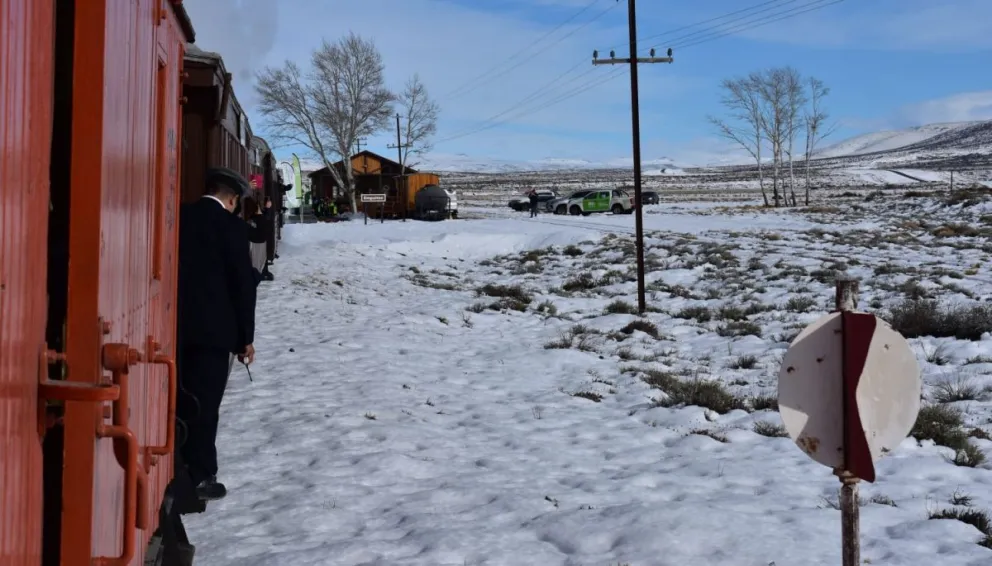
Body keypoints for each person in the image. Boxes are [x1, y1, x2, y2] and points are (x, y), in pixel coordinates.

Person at [176, 166, 257, 501]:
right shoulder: (232, 228)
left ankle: (173, 463)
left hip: (173, 328)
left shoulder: (179, 216)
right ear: (233, 198)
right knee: (205, 406)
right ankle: (199, 475)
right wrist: (245, 338)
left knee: (177, 400)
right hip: (213, 334)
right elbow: (241, 287)